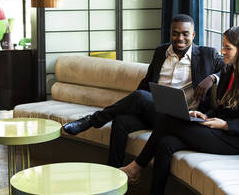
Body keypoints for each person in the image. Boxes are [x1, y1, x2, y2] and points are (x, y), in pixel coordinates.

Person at [118, 26, 239, 195]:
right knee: (166, 143)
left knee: (167, 120)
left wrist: (226, 125)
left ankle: (135, 168)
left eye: (228, 48)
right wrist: (203, 115)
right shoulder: (227, 72)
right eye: (223, 47)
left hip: (236, 140)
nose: (222, 52)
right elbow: (222, 109)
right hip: (218, 130)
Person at [63, 14, 225, 167]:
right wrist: (137, 104)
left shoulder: (207, 54)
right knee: (121, 120)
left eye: (185, 34)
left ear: (194, 34)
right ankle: (114, 174)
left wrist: (212, 78)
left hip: (181, 119)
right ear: (170, 33)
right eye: (175, 34)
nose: (180, 38)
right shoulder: (161, 52)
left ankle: (91, 121)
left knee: (139, 97)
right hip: (155, 111)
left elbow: (230, 68)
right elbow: (147, 82)